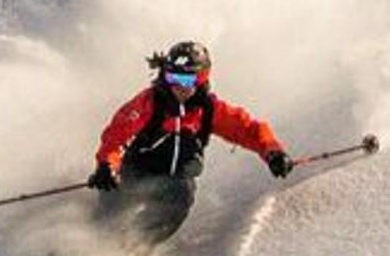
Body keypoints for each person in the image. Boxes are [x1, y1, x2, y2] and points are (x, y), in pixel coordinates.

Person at [87, 39, 289, 244]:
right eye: (173, 78)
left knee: (181, 195)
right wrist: (107, 166)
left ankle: (132, 250)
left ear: (202, 78)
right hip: (135, 171)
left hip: (173, 182)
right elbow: (117, 134)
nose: (179, 87)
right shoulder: (149, 103)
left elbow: (248, 130)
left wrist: (273, 153)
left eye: (187, 80)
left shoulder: (208, 110)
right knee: (114, 204)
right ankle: (89, 244)